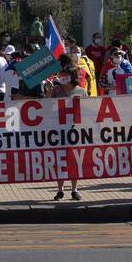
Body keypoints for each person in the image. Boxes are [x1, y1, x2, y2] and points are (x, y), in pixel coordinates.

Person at [52, 64, 86, 201]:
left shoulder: (81, 91)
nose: (62, 78)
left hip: (75, 131)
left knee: (74, 161)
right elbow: (47, 109)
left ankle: (74, 189)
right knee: (59, 160)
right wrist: (49, 92)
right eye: (61, 75)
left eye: (65, 75)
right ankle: (60, 190)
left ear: (72, 77)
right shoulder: (56, 90)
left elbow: (88, 110)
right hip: (58, 131)